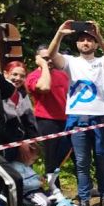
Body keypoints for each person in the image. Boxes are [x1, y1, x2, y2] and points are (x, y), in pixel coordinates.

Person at [47, 20, 104, 206]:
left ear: (95, 44)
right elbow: (50, 55)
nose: (85, 43)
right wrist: (60, 33)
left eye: (89, 40)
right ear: (77, 45)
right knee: (81, 160)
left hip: (101, 116)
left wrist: (99, 35)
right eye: (81, 40)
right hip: (78, 116)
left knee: (101, 157)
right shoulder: (70, 62)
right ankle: (84, 198)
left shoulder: (102, 62)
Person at [26, 45, 70, 187]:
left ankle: (86, 189)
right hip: (47, 122)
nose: (49, 61)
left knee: (75, 155)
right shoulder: (33, 76)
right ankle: (55, 192)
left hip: (67, 119)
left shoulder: (62, 75)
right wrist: (43, 66)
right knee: (52, 160)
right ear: (37, 59)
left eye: (50, 58)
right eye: (45, 58)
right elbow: (44, 87)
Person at [2, 62, 38, 163]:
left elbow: (30, 122)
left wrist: (30, 142)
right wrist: (19, 143)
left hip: (24, 148)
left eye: (22, 76)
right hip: (5, 147)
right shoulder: (0, 95)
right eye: (14, 74)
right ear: (5, 74)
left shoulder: (23, 95)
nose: (18, 78)